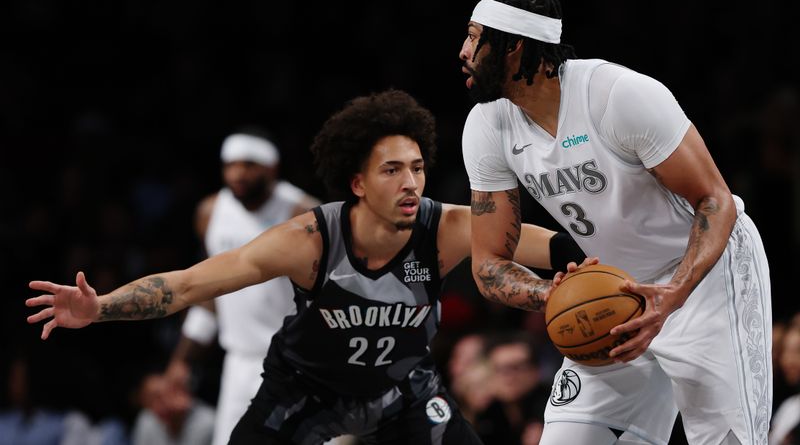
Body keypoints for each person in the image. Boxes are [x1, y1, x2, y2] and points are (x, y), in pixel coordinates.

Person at [26, 89, 587, 445]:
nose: (412, 183)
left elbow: (522, 239)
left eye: (417, 168)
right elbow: (191, 283)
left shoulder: (443, 228)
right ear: (358, 182)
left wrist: (580, 259)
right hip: (303, 392)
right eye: (392, 170)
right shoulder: (309, 240)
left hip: (401, 392)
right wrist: (99, 308)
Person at [458, 0, 772, 445]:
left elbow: (716, 201)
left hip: (706, 280)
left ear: (514, 46)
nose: (463, 52)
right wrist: (554, 294)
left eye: (474, 38)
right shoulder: (487, 125)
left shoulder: (618, 95)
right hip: (613, 292)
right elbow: (488, 264)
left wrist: (673, 295)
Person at [166, 126, 319, 445]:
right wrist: (181, 361)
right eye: (230, 164)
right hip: (239, 362)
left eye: (248, 165)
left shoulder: (301, 213)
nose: (237, 173)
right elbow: (210, 295)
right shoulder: (210, 213)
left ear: (271, 168)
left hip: (296, 363)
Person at [131, 370, 215, 445]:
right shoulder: (146, 421)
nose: (157, 407)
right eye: (150, 403)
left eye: (160, 397)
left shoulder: (209, 422)